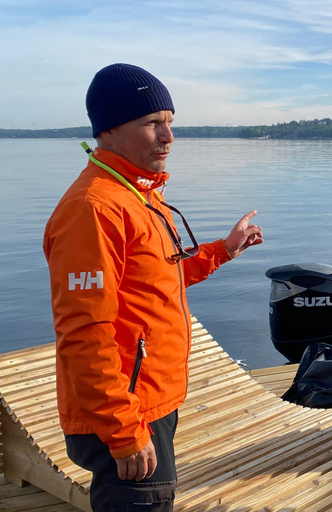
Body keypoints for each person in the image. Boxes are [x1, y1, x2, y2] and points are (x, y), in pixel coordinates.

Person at [43, 63, 264, 512]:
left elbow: (156, 281)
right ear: (108, 130)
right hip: (126, 411)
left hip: (150, 399)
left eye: (170, 123)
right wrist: (124, 431)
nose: (168, 137)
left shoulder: (138, 195)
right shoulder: (94, 209)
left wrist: (222, 250)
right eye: (151, 124)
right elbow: (84, 334)